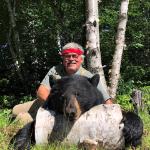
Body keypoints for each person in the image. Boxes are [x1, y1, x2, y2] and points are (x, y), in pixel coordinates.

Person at [12, 42, 113, 124]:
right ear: (63, 59)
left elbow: (107, 101)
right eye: (67, 56)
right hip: (47, 103)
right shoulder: (55, 70)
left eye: (74, 56)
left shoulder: (88, 77)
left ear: (81, 59)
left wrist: (111, 117)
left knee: (23, 119)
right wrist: (56, 106)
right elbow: (41, 92)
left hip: (69, 108)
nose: (71, 59)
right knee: (15, 111)